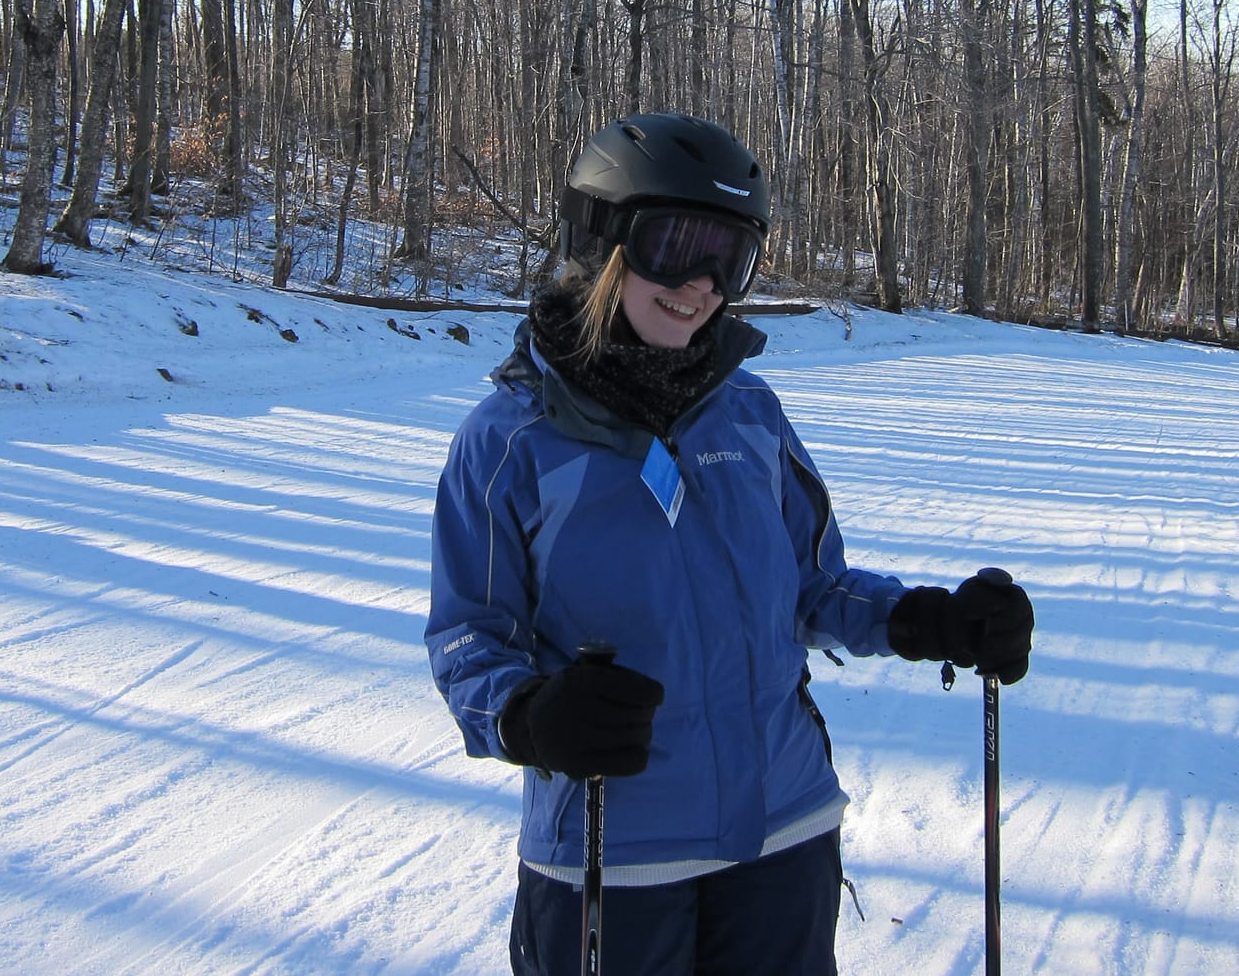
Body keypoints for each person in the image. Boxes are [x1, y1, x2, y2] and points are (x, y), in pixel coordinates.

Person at [426, 112, 1035, 975]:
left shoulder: (749, 416)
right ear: (602, 242)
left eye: (731, 257)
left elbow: (816, 588)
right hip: (612, 858)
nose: (703, 283)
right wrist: (529, 715)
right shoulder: (511, 442)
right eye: (676, 245)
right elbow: (465, 640)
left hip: (784, 837)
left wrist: (930, 621)